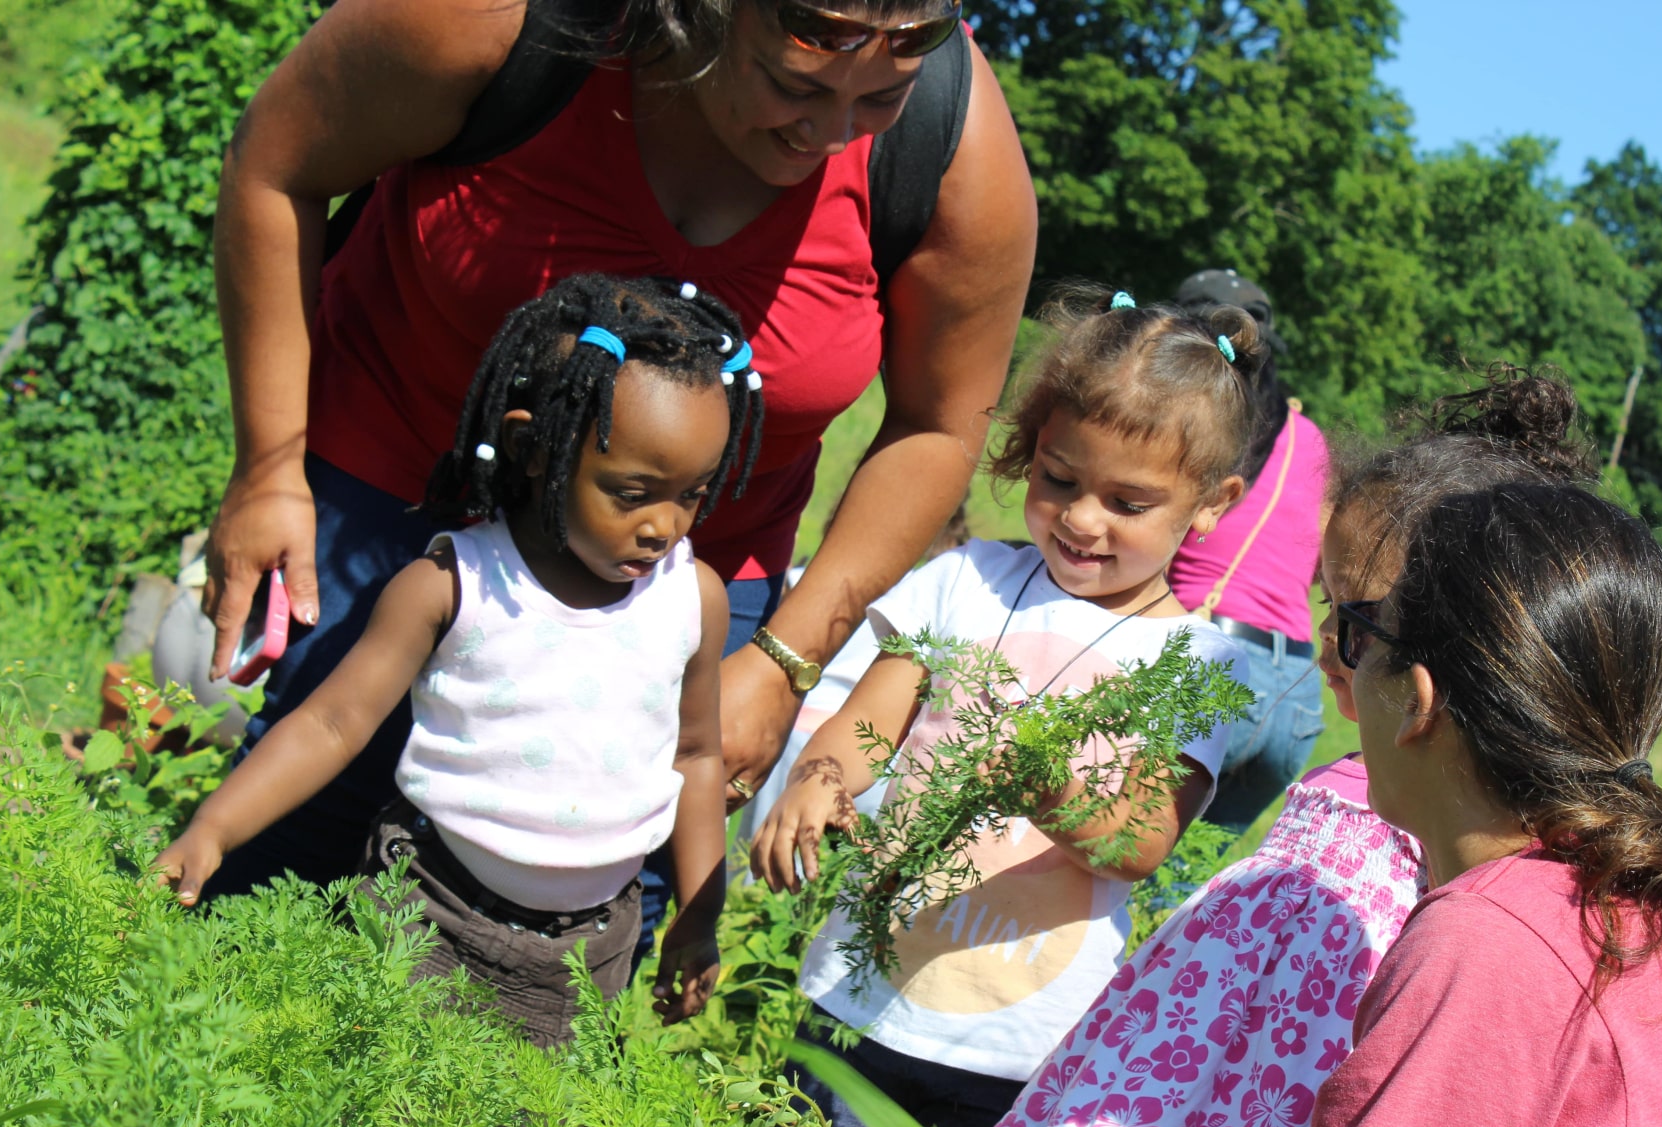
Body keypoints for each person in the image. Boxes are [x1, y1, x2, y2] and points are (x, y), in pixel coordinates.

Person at [801, 477, 1662, 1127]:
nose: (1334, 657)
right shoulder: (1613, 894)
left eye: (1360, 631)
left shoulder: (1501, 940)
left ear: (1421, 697)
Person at [198, 0, 1037, 970]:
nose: (831, 131)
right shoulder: (494, 21)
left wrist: (784, 661)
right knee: (288, 864)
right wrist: (268, 469)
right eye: (794, 85)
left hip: (680, 588)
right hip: (400, 496)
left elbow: (939, 424)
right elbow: (276, 166)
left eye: (878, 99)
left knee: (571, 935)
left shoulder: (950, 140)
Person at [995, 367, 1596, 1127]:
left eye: (1360, 618)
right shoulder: (1382, 774)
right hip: (1185, 1098)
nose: (1326, 643)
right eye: (1329, 604)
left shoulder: (1463, 832)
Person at [750, 287, 1265, 1127]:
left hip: (1012, 1042)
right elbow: (864, 723)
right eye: (1058, 478)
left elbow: (1138, 838)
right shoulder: (966, 581)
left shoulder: (1199, 664)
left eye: (1127, 502)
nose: (1081, 517)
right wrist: (819, 780)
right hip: (857, 990)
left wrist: (1055, 790)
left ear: (1211, 504)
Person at [153, 275, 742, 1048]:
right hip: (427, 909)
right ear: (539, 452)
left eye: (692, 495)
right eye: (632, 492)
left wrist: (699, 919)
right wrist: (213, 828)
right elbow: (332, 723)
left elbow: (696, 756)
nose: (663, 526)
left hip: (587, 952)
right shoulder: (451, 585)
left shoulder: (691, 598)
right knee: (378, 1109)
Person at [1168, 270, 1328, 834]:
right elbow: (1314, 564)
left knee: (1117, 861)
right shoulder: (1309, 440)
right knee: (1184, 889)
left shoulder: (1191, 421)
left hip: (1209, 662)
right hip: (1297, 694)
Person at [737, 502, 971, 838]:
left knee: (763, 856)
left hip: (798, 733)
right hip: (873, 748)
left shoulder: (805, 581)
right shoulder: (915, 591)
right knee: (851, 869)